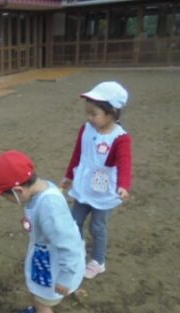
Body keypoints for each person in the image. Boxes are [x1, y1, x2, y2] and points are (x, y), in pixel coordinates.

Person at [0, 150, 85, 313]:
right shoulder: (42, 189)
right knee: (39, 296)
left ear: (18, 191)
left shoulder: (48, 207)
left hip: (55, 265)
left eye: (7, 197)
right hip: (46, 256)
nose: (7, 202)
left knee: (44, 304)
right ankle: (39, 306)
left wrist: (66, 276)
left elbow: (69, 243)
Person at [60, 81, 132, 279]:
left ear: (112, 113)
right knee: (75, 222)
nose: (90, 118)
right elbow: (78, 154)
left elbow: (125, 163)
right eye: (88, 113)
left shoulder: (120, 138)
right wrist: (69, 176)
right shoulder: (86, 129)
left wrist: (124, 186)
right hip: (84, 186)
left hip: (104, 189)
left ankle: (98, 261)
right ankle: (78, 252)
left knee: (98, 226)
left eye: (94, 114)